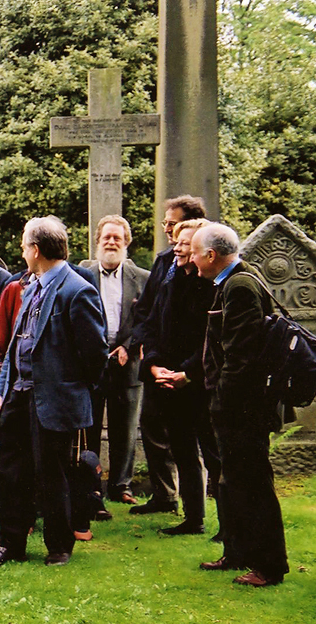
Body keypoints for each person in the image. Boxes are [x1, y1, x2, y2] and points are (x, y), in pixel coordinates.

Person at [0, 217, 107, 567]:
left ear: (36, 250)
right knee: (7, 472)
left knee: (51, 474)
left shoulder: (76, 289)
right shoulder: (29, 286)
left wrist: (69, 387)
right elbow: (14, 348)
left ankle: (59, 545)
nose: (22, 251)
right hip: (17, 396)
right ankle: (11, 543)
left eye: (24, 245)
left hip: (53, 400)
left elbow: (95, 354)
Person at [191, 223, 288, 587]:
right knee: (233, 482)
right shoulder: (235, 281)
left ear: (212, 256)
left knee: (253, 484)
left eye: (196, 253)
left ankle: (269, 566)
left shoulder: (241, 286)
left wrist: (221, 404)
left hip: (242, 409)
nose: (193, 259)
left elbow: (240, 356)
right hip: (237, 406)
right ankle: (239, 552)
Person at [140, 220, 218, 536]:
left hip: (198, 382)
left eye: (185, 243)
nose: (178, 247)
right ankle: (194, 518)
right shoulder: (171, 280)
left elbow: (209, 339)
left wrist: (188, 372)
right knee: (183, 450)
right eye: (177, 241)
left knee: (212, 455)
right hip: (170, 381)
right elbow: (153, 323)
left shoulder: (209, 286)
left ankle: (229, 526)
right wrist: (154, 365)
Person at [131, 195, 207, 516]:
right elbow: (148, 313)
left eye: (172, 224)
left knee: (190, 442)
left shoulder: (204, 279)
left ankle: (198, 508)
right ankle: (164, 495)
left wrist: (183, 371)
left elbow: (199, 331)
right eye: (166, 224)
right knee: (151, 426)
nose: (168, 231)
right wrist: (152, 362)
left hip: (189, 373)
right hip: (158, 365)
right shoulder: (165, 263)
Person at [83, 215, 149, 505]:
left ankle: (121, 486)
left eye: (117, 238)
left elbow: (147, 319)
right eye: (106, 237)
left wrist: (127, 346)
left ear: (126, 243)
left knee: (125, 430)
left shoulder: (143, 279)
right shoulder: (82, 273)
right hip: (92, 364)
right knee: (90, 428)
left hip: (128, 364)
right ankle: (91, 485)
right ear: (97, 241)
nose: (111, 242)